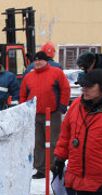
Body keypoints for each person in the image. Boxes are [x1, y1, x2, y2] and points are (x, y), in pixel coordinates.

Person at [20, 51, 71, 179]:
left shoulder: (56, 73)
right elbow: (22, 94)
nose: (37, 62)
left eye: (40, 60)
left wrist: (62, 106)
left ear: (46, 61)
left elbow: (65, 88)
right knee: (38, 142)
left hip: (53, 113)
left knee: (54, 140)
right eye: (35, 60)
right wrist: (24, 110)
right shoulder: (28, 77)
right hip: (35, 115)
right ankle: (41, 168)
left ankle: (55, 165)